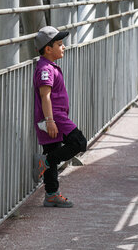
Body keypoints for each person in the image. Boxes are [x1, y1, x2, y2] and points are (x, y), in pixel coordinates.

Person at [32, 26, 87, 207]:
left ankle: (51, 194)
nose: (63, 47)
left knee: (52, 149)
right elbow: (45, 96)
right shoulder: (45, 69)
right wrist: (50, 121)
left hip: (55, 117)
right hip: (55, 117)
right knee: (79, 142)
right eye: (60, 44)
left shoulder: (49, 66)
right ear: (48, 49)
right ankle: (46, 162)